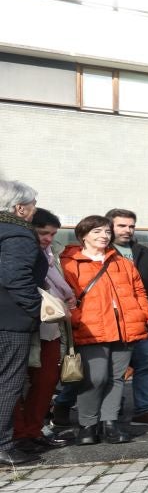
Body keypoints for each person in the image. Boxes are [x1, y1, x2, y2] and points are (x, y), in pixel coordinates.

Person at [61, 215, 148, 446]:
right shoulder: (70, 262)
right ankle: (88, 424)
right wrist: (77, 319)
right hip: (91, 329)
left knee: (117, 377)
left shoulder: (120, 261)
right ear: (83, 236)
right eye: (97, 232)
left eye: (106, 232)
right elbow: (64, 296)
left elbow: (139, 290)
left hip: (125, 327)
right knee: (95, 377)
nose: (104, 236)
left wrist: (143, 315)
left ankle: (109, 423)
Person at [12, 208, 71, 456]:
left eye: (52, 234)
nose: (47, 238)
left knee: (46, 380)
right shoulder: (20, 250)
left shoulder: (52, 255)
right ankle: (18, 433)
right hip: (24, 322)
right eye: (43, 232)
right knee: (13, 383)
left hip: (51, 326)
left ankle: (33, 431)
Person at [106, 209, 148, 428]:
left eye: (131, 226)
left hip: (145, 321)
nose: (128, 230)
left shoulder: (143, 252)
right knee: (112, 371)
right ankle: (108, 415)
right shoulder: (102, 251)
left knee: (146, 366)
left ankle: (144, 411)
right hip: (113, 322)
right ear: (110, 226)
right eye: (122, 226)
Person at [0, 181, 45, 465]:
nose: (34, 211)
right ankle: (3, 445)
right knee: (8, 383)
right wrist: (37, 308)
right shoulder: (18, 234)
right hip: (9, 320)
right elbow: (16, 278)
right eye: (32, 206)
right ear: (20, 208)